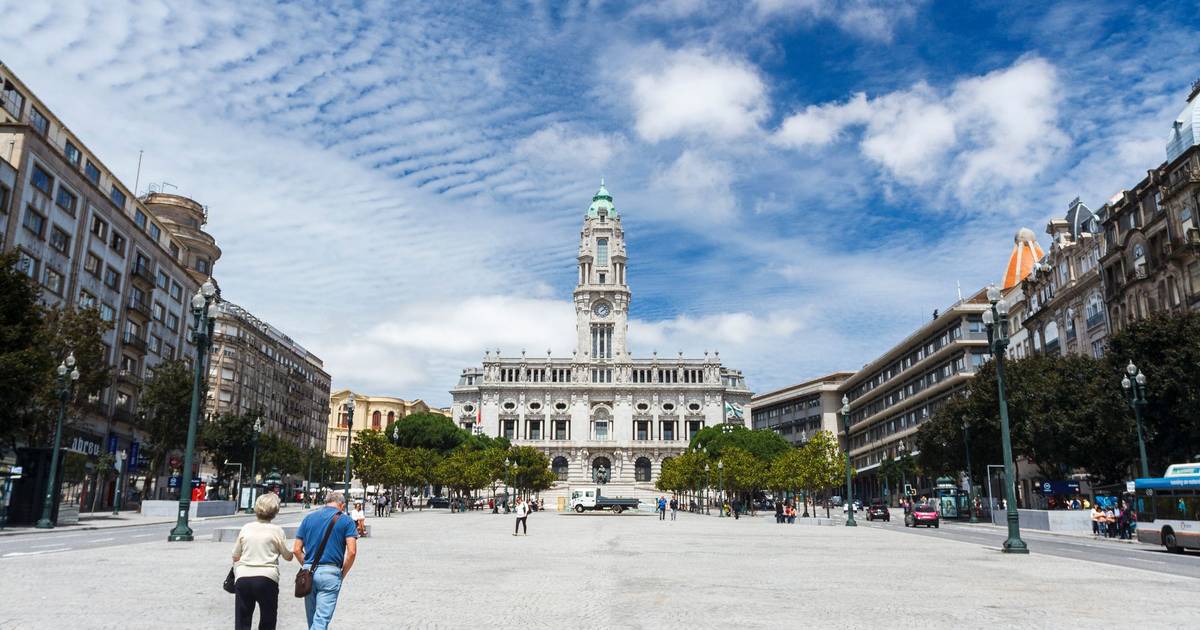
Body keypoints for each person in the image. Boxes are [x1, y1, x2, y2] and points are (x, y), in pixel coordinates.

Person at [293, 491, 358, 630]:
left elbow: (296, 549)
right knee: (321, 620)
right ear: (342, 505)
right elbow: (351, 552)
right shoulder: (346, 520)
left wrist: (308, 565)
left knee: (313, 620)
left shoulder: (308, 519)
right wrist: (342, 573)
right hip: (331, 572)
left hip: (308, 572)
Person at [231, 493, 292, 630]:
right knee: (268, 619)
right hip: (266, 578)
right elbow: (288, 556)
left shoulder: (246, 528)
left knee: (242, 620)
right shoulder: (277, 531)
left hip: (243, 577)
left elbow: (235, 555)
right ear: (275, 511)